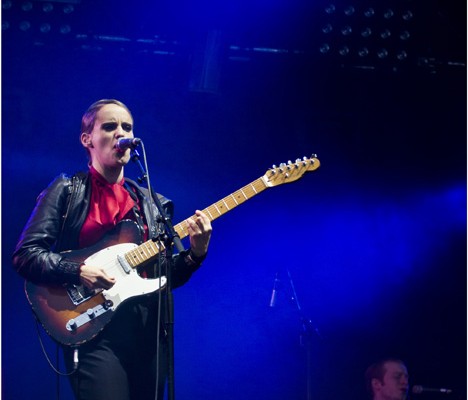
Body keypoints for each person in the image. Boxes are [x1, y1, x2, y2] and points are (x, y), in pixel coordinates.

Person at [12, 99, 212, 400]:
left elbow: (165, 275)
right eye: (110, 126)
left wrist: (196, 253)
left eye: (127, 127)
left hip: (146, 334)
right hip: (92, 329)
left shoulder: (150, 203)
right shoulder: (67, 189)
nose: (121, 133)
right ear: (87, 139)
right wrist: (78, 271)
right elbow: (26, 255)